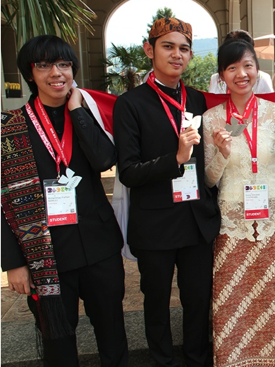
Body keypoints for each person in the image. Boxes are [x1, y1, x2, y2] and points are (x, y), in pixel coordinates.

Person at [1, 35, 128, 367]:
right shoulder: (10, 131)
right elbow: (2, 202)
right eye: (43, 65)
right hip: (47, 254)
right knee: (58, 339)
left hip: (99, 247)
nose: (56, 73)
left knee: (112, 331)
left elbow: (104, 160)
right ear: (31, 74)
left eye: (64, 64)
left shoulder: (86, 116)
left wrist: (78, 113)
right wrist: (13, 262)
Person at [113, 18, 220, 367]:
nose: (177, 54)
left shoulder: (202, 101)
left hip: (196, 221)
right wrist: (175, 158)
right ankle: (162, 361)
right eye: (168, 46)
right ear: (150, 50)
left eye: (184, 48)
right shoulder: (130, 104)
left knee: (198, 300)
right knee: (156, 302)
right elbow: (128, 172)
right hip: (155, 224)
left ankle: (197, 359)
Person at [203, 39, 275, 367]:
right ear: (222, 76)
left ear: (257, 70)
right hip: (232, 228)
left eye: (247, 65)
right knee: (233, 304)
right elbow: (208, 180)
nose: (241, 73)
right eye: (232, 67)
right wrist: (221, 154)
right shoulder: (211, 119)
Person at [208, 30, 274, 94]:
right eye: (232, 68)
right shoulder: (215, 79)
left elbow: (271, 100)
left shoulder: (263, 78)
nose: (241, 75)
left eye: (247, 65)